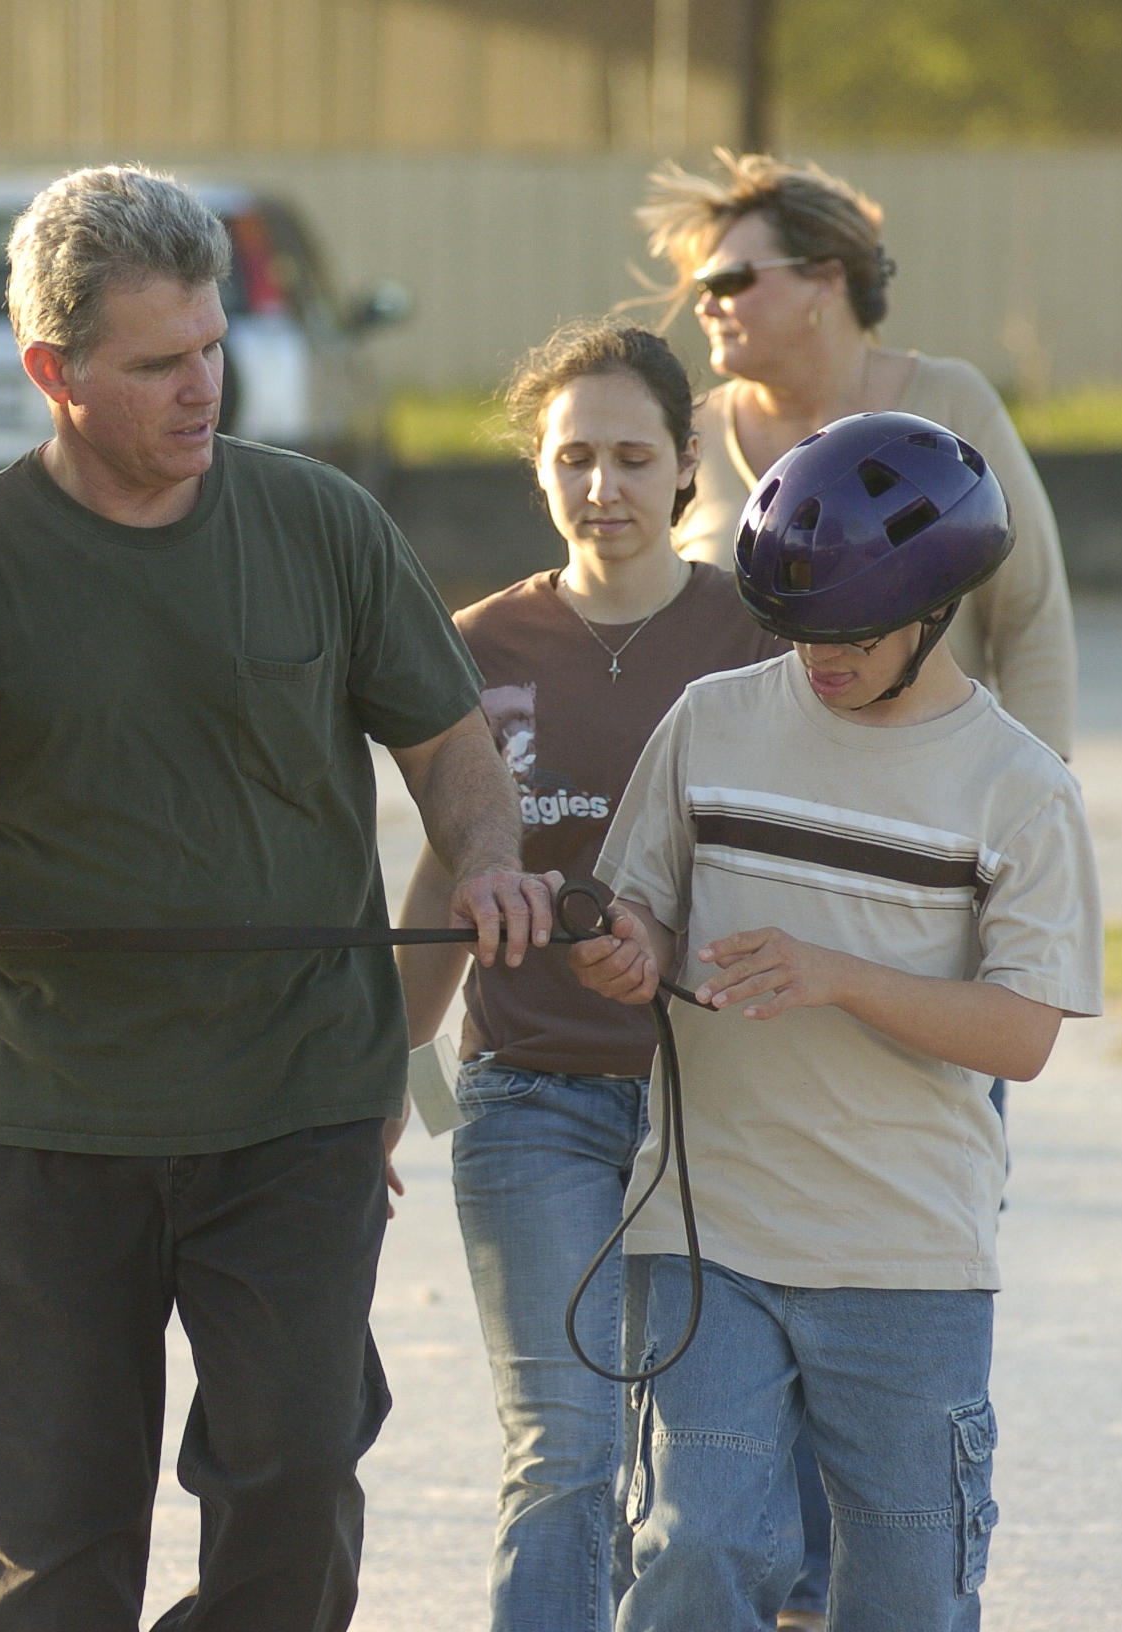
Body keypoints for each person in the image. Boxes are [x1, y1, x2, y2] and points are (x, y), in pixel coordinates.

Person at [0, 164, 559, 1632]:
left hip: (294, 1112)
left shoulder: (323, 524)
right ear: (53, 374)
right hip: (38, 1133)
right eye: (158, 364)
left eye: (213, 350)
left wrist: (489, 853)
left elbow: (448, 743)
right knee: (44, 1580)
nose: (203, 391)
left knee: (292, 1507)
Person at [568, 410, 1103, 1631]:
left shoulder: (1020, 788)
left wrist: (839, 974)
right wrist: (623, 953)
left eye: (853, 632)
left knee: (910, 1597)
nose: (820, 656)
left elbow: (1023, 1035)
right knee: (696, 1550)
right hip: (710, 1239)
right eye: (798, 626)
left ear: (938, 605)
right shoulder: (709, 721)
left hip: (908, 1256)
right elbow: (640, 910)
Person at [393, 319, 781, 1632]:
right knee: (565, 1454)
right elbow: (440, 881)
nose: (603, 487)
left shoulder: (760, 639)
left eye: (633, 457)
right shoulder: (478, 643)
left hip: (715, 1110)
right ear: (539, 473)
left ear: (685, 466)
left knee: (707, 1478)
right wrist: (401, 1094)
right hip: (527, 1106)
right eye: (575, 458)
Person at [637, 149, 1077, 762]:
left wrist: (1035, 789)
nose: (705, 305)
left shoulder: (950, 403)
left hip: (930, 789)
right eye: (703, 287)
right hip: (746, 802)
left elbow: (1032, 618)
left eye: (730, 280)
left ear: (827, 279)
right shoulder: (691, 436)